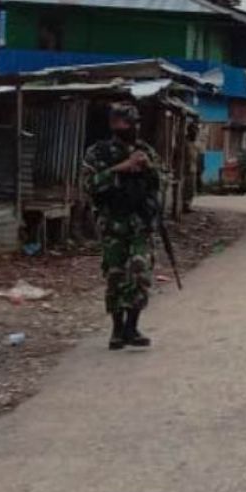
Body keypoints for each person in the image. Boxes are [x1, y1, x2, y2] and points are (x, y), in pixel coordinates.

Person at [82, 103, 162, 351]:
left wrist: (148, 168)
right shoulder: (98, 152)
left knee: (140, 272)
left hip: (140, 223)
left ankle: (132, 326)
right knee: (115, 275)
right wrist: (121, 168)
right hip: (113, 223)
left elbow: (160, 182)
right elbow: (89, 184)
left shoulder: (146, 151)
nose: (124, 127)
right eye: (119, 122)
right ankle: (117, 330)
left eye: (128, 122)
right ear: (112, 124)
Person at [182, 121, 201, 214]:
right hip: (185, 169)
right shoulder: (184, 142)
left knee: (191, 189)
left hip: (193, 168)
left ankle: (188, 205)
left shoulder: (196, 143)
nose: (195, 132)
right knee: (185, 188)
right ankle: (184, 205)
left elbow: (197, 155)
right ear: (189, 131)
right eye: (193, 130)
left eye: (196, 131)